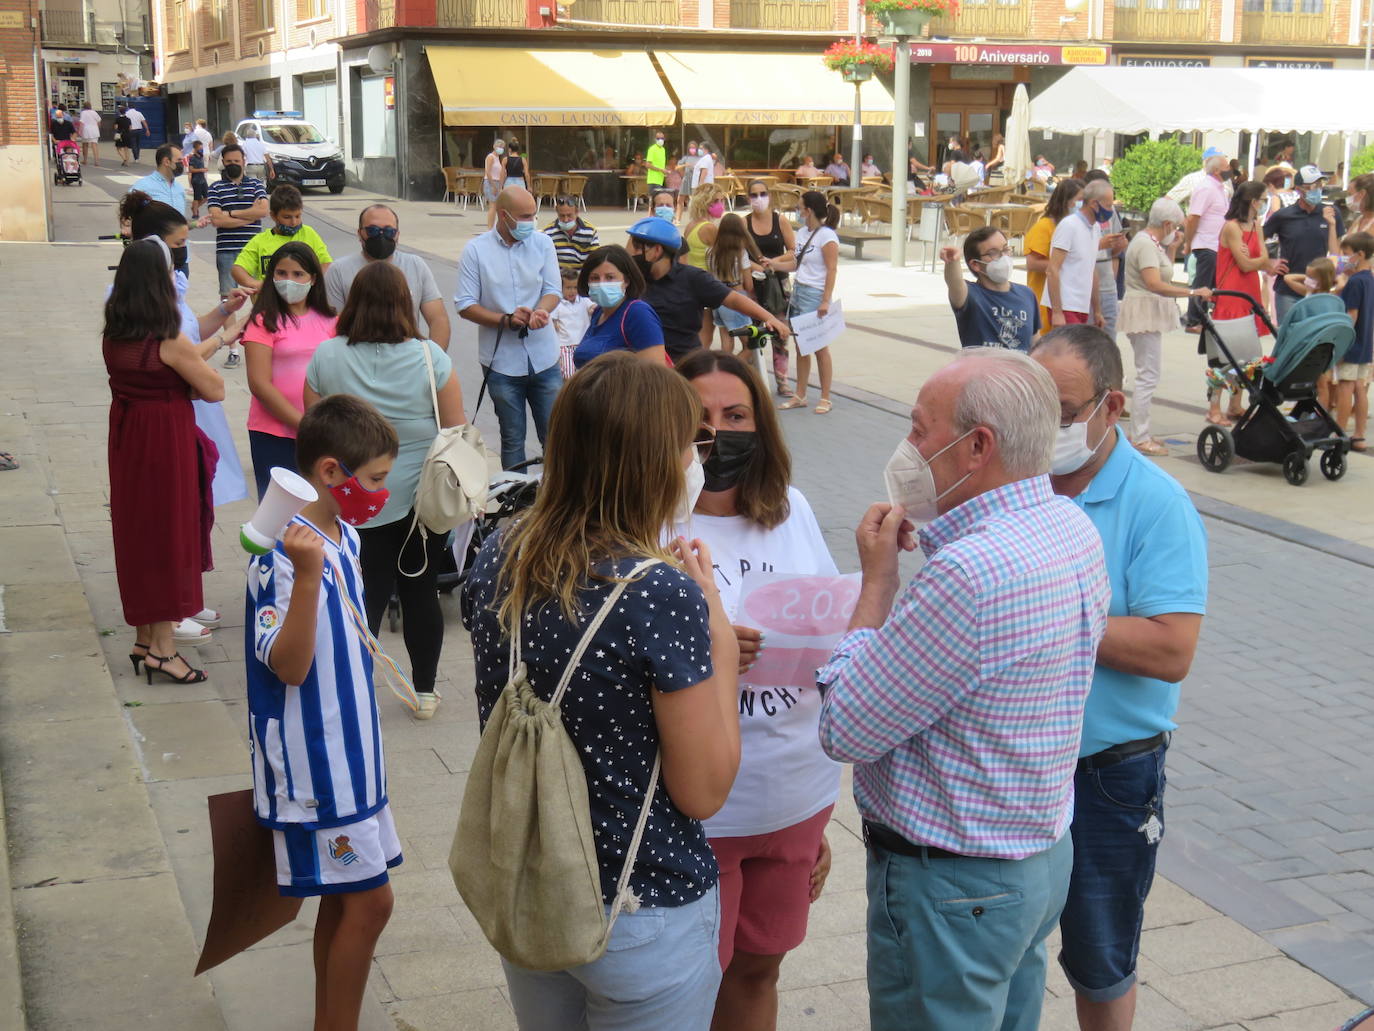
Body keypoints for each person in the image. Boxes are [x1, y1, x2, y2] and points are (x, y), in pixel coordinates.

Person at [817, 348, 1111, 1031]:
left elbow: (846, 726)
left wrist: (878, 586)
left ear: (977, 446)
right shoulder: (1069, 526)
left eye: (921, 429)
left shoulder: (973, 573)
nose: (910, 448)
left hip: (954, 885)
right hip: (1033, 859)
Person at [462, 352, 740, 1029]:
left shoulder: (502, 549)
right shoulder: (659, 592)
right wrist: (719, 633)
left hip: (536, 890)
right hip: (640, 910)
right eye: (690, 442)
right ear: (652, 460)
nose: (695, 459)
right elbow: (703, 789)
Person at [1028, 325, 1207, 1031]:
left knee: (1100, 959)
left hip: (1105, 774)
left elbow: (1172, 648)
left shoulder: (1157, 505)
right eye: (1035, 408)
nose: (1049, 428)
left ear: (1114, 406)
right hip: (1016, 760)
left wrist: (1047, 611)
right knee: (1005, 943)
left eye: (1065, 411)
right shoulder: (1020, 483)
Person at [670, 349, 840, 1031]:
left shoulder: (790, 509)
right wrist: (710, 648)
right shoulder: (655, 522)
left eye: (735, 415)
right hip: (700, 806)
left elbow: (829, 624)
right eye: (699, 418)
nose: (718, 432)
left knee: (759, 967)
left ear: (761, 424)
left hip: (795, 793)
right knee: (690, 982)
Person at [244, 394, 400, 1031]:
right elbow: (288, 665)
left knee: (347, 905)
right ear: (332, 472)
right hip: (314, 770)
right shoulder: (281, 556)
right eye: (376, 479)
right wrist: (305, 579)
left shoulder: (345, 534)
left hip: (353, 757)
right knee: (371, 906)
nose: (382, 493)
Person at [304, 262, 466, 720]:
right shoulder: (429, 356)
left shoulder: (327, 356)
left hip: (352, 501)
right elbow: (455, 428)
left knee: (363, 595)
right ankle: (425, 692)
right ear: (404, 304)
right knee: (421, 593)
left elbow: (312, 429)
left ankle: (354, 687)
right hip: (421, 501)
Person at [103, 239, 225, 686]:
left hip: (128, 437)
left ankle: (143, 638)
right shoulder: (168, 339)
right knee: (169, 537)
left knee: (140, 535)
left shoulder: (115, 334)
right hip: (165, 440)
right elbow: (214, 389)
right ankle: (162, 650)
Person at [121, 190, 253, 528]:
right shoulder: (144, 304)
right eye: (179, 243)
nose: (184, 250)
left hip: (186, 400)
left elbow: (191, 332)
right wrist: (225, 337)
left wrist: (225, 310)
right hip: (173, 408)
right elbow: (183, 353)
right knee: (178, 504)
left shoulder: (164, 286)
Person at [455, 185, 562, 470]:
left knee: (555, 436)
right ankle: (518, 503)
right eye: (525, 216)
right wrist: (505, 319)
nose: (532, 222)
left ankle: (558, 502)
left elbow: (553, 290)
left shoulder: (543, 243)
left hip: (544, 356)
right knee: (513, 438)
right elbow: (465, 305)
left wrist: (542, 311)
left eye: (534, 216)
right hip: (501, 361)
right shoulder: (476, 250)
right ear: (503, 216)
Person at [241, 241, 338, 497]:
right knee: (279, 515)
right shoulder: (263, 321)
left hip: (322, 434)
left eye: (298, 274)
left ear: (313, 279)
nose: (288, 281)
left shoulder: (331, 320)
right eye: (281, 273)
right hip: (274, 434)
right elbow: (259, 384)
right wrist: (303, 424)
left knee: (319, 510)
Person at [627, 216, 788, 366]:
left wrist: (769, 318)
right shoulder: (633, 281)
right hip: (646, 368)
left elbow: (733, 299)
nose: (631, 253)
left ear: (656, 250)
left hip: (684, 367)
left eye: (636, 247)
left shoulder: (692, 278)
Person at [1119, 198, 1211, 455]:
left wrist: (1173, 249)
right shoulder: (1146, 245)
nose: (1177, 231)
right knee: (1148, 375)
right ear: (1168, 223)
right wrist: (1192, 292)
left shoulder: (1153, 244)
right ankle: (1140, 435)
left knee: (1149, 373)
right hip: (1143, 311)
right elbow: (1154, 283)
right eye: (1176, 227)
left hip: (1148, 311)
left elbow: (1164, 273)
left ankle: (1142, 431)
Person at [1210, 180, 1286, 426]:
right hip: (1232, 295)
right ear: (1253, 201)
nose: (1264, 204)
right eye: (1263, 199)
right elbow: (1250, 263)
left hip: (1248, 293)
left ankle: (1234, 404)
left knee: (1246, 355)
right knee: (1224, 356)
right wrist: (1261, 259)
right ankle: (1214, 408)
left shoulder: (1255, 225)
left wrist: (1260, 259)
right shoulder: (1232, 227)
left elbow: (1262, 259)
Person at [325, 204, 449, 349]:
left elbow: (438, 319)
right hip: (358, 362)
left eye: (389, 231)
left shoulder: (416, 266)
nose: (381, 236)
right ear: (360, 233)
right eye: (373, 230)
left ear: (398, 234)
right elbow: (333, 326)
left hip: (408, 361)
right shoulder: (339, 270)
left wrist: (433, 362)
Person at [766, 191, 838, 413]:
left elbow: (832, 269)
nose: (797, 210)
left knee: (818, 346)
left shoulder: (827, 236)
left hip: (815, 293)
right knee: (801, 346)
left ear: (808, 211)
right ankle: (801, 394)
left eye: (800, 207)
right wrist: (774, 264)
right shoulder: (802, 233)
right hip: (799, 291)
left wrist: (825, 301)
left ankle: (825, 397)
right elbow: (796, 263)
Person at [206, 142, 268, 369]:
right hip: (227, 251)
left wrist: (230, 213)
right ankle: (233, 350)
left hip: (254, 250)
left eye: (237, 161)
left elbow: (263, 211)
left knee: (261, 298)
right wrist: (248, 216)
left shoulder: (256, 184)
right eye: (229, 162)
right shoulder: (215, 188)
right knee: (228, 300)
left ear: (244, 161)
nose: (233, 165)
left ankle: (260, 342)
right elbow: (216, 219)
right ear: (223, 162)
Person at [940, 226, 1041, 352]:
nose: (1003, 257)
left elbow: (1035, 342)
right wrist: (952, 262)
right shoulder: (971, 295)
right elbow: (954, 282)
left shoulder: (1027, 294)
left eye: (1005, 249)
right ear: (975, 264)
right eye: (993, 253)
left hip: (1018, 370)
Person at [1267, 165, 1345, 323]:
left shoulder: (1331, 213)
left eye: (1319, 185)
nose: (1316, 190)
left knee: (1316, 338)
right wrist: (1269, 265)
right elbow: (1259, 238)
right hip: (1288, 287)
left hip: (1318, 288)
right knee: (1288, 336)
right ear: (1298, 189)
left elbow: (1336, 254)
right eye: (1310, 187)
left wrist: (1330, 224)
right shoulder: (1284, 215)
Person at [573, 244, 667, 368]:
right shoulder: (598, 313)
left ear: (626, 281)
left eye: (610, 277)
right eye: (595, 278)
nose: (601, 284)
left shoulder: (638, 314)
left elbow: (655, 373)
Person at [745, 179, 796, 395]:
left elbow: (793, 250)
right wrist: (761, 266)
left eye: (762, 194)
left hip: (779, 284)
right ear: (748, 198)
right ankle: (753, 381)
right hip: (754, 285)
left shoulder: (780, 220)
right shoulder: (744, 223)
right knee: (752, 333)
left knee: (781, 332)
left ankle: (782, 380)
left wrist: (773, 263)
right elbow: (741, 255)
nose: (759, 199)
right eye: (754, 195)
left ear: (770, 195)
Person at [232, 185, 333, 290]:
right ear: (273, 216)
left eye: (297, 216)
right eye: (287, 217)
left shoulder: (309, 234)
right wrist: (257, 284)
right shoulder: (260, 241)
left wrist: (311, 283)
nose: (294, 222)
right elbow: (238, 269)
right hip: (269, 303)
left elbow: (326, 264)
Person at [1045, 178, 1109, 328]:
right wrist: (1057, 312)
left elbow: (1091, 269)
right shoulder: (1069, 225)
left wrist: (1097, 310)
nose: (1110, 211)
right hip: (1066, 304)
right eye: (1108, 206)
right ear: (1094, 203)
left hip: (1081, 305)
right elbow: (1052, 269)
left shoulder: (1095, 228)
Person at [1181, 148, 1230, 332]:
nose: (1229, 170)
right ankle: (1193, 321)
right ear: (1217, 170)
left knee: (1210, 284)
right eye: (1226, 167)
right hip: (1206, 243)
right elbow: (1193, 217)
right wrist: (1188, 242)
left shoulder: (1220, 189)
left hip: (1217, 244)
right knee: (1202, 283)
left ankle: (1203, 317)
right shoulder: (1205, 188)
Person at [1026, 178, 1085, 331]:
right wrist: (1066, 263)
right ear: (1065, 201)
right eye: (1079, 200)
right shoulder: (1045, 227)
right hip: (1046, 303)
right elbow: (1032, 263)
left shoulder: (1078, 228)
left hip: (1070, 301)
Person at [1334, 231, 1374, 451]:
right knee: (1360, 387)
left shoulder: (1356, 282)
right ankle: (1358, 435)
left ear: (1359, 254)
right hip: (1366, 343)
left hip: (1352, 343)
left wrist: (1341, 342)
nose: (1344, 259)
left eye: (1347, 254)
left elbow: (1352, 316)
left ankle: (1339, 430)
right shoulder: (1369, 278)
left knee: (1345, 386)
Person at [1082, 169, 1127, 338]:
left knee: (1108, 341)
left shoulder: (1111, 212)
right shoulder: (1076, 221)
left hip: (1107, 286)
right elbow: (1077, 252)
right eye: (1107, 204)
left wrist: (1119, 245)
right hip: (1085, 288)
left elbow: (1114, 254)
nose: (1110, 208)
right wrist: (1099, 245)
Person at [708, 213, 762, 352]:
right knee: (751, 346)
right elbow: (748, 285)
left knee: (726, 342)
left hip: (717, 299)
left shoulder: (710, 252)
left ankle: (723, 370)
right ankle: (737, 370)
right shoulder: (740, 253)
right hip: (736, 297)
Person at [551, 267, 594, 378]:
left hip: (583, 343)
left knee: (586, 373)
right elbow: (552, 320)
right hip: (565, 345)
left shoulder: (584, 301)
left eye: (575, 287)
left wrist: (593, 309)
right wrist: (554, 323)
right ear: (561, 288)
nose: (572, 291)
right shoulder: (558, 304)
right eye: (568, 288)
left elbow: (593, 308)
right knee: (568, 374)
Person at [130, 144, 189, 223]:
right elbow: (127, 214)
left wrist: (195, 224)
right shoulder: (143, 186)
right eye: (179, 160)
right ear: (166, 162)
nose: (183, 164)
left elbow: (178, 225)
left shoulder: (179, 188)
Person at [542, 196, 600, 272]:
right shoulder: (548, 233)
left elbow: (595, 260)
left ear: (577, 212)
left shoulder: (590, 231)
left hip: (582, 275)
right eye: (562, 216)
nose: (566, 220)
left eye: (569, 215)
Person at [683, 187, 725, 273]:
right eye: (716, 201)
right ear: (704, 203)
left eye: (722, 200)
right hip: (705, 278)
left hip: (693, 275)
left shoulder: (691, 224)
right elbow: (723, 257)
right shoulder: (709, 228)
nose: (720, 205)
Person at [483, 138, 507, 229]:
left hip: (497, 183)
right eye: (499, 146)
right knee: (492, 205)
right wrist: (493, 185)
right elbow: (488, 172)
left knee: (496, 206)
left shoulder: (498, 158)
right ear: (494, 146)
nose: (501, 148)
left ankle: (493, 226)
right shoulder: (490, 157)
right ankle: (490, 227)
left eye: (502, 147)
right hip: (491, 183)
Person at [187, 140, 209, 220]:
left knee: (206, 196)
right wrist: (201, 170)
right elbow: (191, 170)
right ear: (195, 148)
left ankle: (194, 208)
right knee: (197, 197)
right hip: (196, 180)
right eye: (200, 148)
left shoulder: (201, 156)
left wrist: (204, 169)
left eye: (202, 147)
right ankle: (195, 213)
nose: (201, 149)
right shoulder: (192, 158)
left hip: (202, 179)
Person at [77, 101, 102, 166]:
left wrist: (79, 131)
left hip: (86, 130)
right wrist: (97, 128)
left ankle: (85, 160)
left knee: (85, 145)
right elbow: (99, 121)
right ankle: (96, 161)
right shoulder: (94, 112)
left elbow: (82, 122)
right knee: (94, 145)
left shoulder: (83, 113)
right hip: (94, 130)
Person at [646, 129, 669, 195]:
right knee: (655, 200)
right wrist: (661, 170)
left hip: (660, 180)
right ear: (655, 139)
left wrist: (665, 171)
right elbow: (648, 165)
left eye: (662, 138)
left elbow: (661, 164)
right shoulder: (652, 149)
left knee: (660, 200)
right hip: (653, 180)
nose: (660, 140)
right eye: (658, 138)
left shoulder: (663, 150)